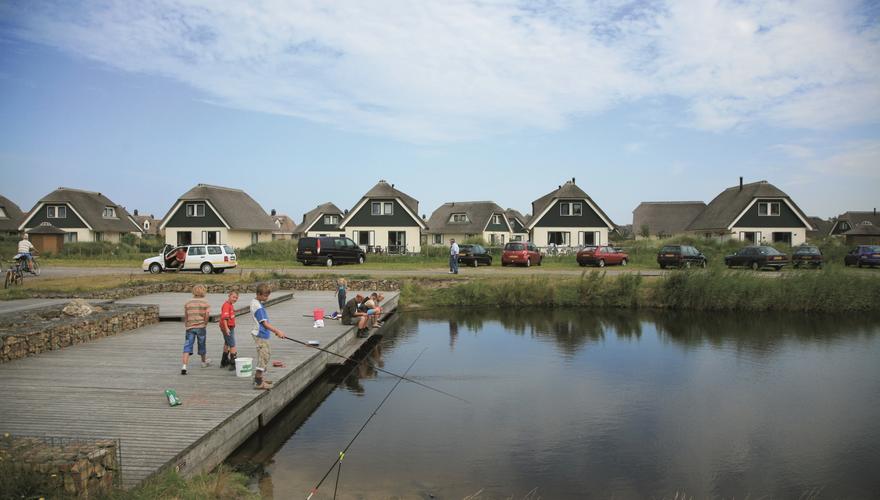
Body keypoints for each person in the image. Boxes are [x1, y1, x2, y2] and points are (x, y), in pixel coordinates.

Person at [251, 283, 286, 390]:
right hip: (260, 335)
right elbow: (264, 324)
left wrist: (274, 331)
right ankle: (258, 382)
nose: (267, 298)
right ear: (258, 294)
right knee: (264, 356)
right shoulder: (258, 307)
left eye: (267, 295)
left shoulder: (255, 302)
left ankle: (260, 378)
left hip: (262, 334)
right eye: (265, 296)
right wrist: (277, 331)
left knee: (266, 354)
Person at [181, 285, 211, 375]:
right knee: (202, 344)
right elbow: (207, 315)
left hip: (190, 327)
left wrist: (186, 323)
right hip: (201, 327)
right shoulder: (205, 303)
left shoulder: (188, 303)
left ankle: (184, 366)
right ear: (203, 292)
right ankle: (203, 362)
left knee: (187, 346)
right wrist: (205, 323)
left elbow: (186, 315)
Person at [219, 291, 239, 371]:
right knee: (232, 344)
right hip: (227, 328)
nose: (235, 299)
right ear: (229, 296)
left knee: (227, 342)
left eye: (236, 298)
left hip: (229, 327)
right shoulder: (226, 305)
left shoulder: (230, 305)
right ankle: (233, 363)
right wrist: (227, 328)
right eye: (233, 297)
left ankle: (224, 361)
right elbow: (224, 318)